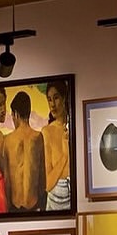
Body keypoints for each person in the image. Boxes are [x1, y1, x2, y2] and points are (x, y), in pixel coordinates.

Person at [3, 90, 46, 211]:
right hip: (34, 205)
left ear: (16, 114)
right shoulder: (38, 137)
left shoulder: (8, 140)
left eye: (12, 116)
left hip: (15, 206)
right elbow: (42, 177)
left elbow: (7, 181)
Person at [43, 81, 71, 212]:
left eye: (56, 98)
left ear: (64, 98)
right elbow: (48, 184)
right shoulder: (47, 132)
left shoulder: (75, 124)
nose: (52, 104)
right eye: (49, 100)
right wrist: (65, 156)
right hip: (55, 200)